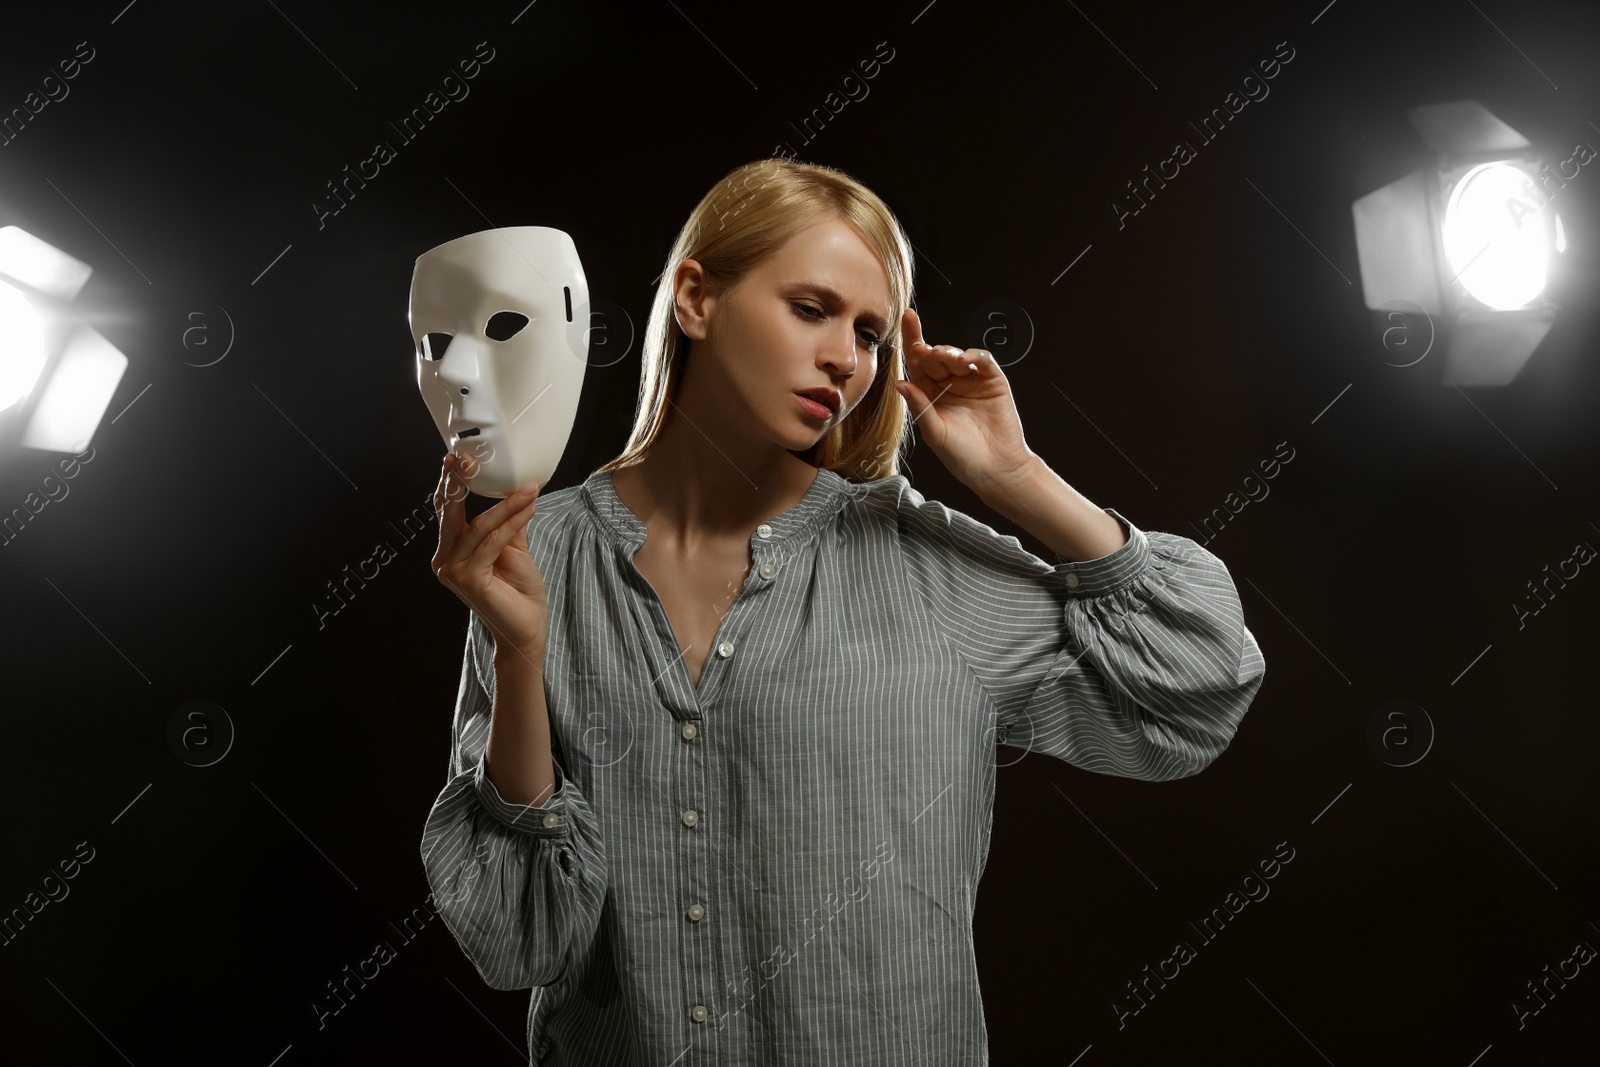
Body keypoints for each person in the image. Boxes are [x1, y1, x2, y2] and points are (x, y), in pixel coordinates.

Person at [420, 157, 1266, 1065]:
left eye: (870, 334)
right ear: (697, 298)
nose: (846, 359)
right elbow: (521, 939)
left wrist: (1018, 481)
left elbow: (1194, 693)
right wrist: (517, 657)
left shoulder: (922, 564)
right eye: (812, 309)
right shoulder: (537, 554)